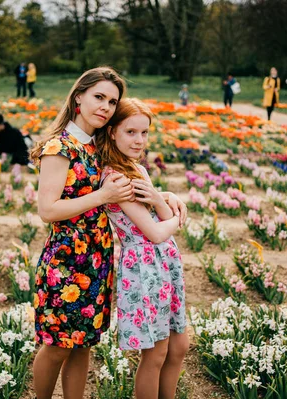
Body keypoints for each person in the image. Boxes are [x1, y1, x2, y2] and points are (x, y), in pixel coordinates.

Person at [29, 67, 186, 399]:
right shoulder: (60, 147)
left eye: (112, 101)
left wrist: (164, 196)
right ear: (78, 97)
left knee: (83, 345)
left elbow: (128, 175)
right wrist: (102, 197)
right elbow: (47, 210)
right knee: (58, 346)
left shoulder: (95, 147)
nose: (105, 106)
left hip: (98, 259)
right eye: (98, 97)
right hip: (66, 262)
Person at [96, 98, 189, 399]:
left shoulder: (135, 168)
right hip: (144, 266)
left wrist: (163, 200)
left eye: (144, 133)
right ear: (112, 132)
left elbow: (161, 216)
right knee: (156, 353)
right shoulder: (117, 178)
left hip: (164, 263)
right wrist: (176, 216)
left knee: (178, 346)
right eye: (131, 132)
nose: (139, 140)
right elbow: (155, 231)